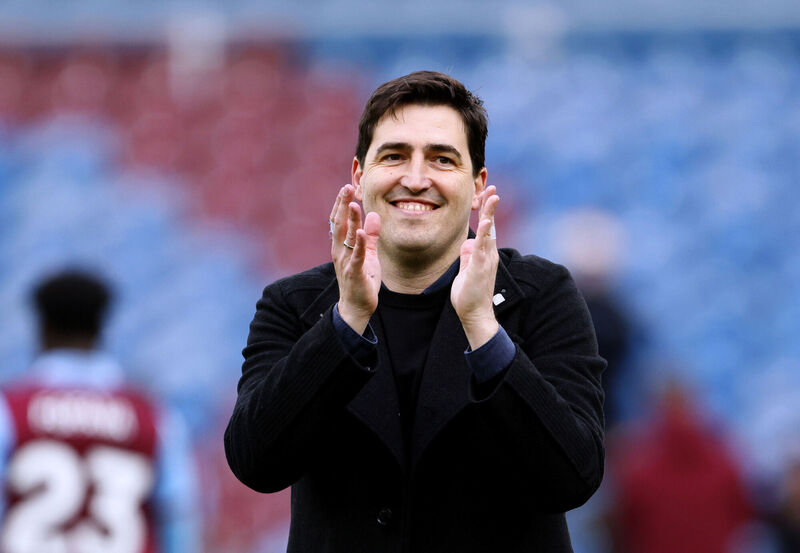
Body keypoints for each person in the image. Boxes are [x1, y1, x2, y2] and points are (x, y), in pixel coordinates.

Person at [224, 71, 605, 552]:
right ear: (360, 177)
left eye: (442, 159)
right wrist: (344, 326)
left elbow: (573, 476)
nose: (416, 178)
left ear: (477, 185)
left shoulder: (541, 295)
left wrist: (484, 330)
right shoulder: (296, 304)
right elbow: (255, 461)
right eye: (395, 155)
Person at [0, 270, 200, 553]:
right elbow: (178, 517)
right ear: (101, 329)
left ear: (43, 329)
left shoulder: (9, 411)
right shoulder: (154, 416)